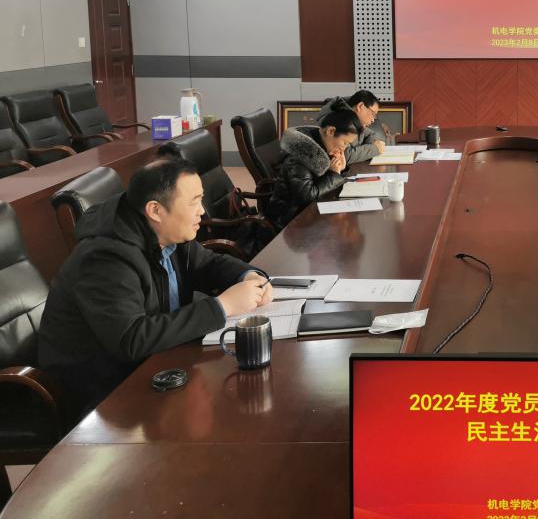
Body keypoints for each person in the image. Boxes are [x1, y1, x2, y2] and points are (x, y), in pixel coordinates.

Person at [38, 158, 274, 424]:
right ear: (155, 210)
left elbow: (206, 263)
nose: (203, 211)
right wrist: (223, 306)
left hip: (156, 360)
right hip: (101, 390)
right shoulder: (106, 258)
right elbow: (131, 339)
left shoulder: (167, 231)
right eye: (194, 202)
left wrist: (248, 275)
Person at [266, 107, 363, 228]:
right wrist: (333, 175)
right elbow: (306, 197)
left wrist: (340, 169)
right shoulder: (300, 153)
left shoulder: (321, 144)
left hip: (309, 212)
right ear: (330, 131)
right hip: (290, 219)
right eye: (345, 143)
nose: (344, 148)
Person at [318, 90, 385, 165]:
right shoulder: (340, 119)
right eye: (373, 114)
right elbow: (343, 155)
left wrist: (366, 150)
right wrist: (374, 149)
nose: (373, 120)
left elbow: (371, 134)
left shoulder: (355, 121)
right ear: (360, 106)